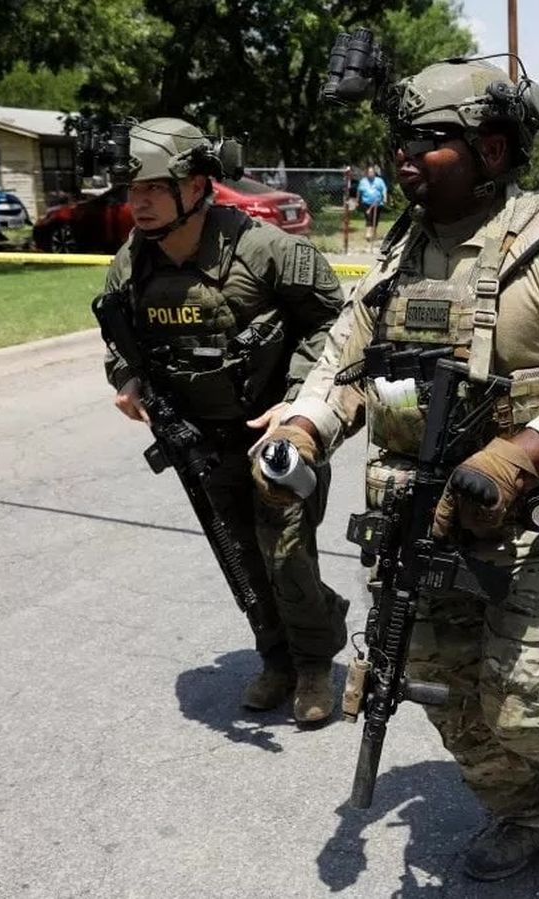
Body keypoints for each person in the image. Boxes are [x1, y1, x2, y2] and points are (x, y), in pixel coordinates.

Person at [262, 61, 539, 880]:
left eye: (427, 142)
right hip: (427, 524)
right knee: (441, 686)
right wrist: (302, 431)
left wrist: (519, 458)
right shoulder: (400, 252)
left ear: (491, 146)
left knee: (528, 707)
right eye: (399, 141)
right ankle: (534, 811)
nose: (403, 158)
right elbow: (346, 364)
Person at [100, 117, 350, 723]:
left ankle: (315, 664)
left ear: (196, 183)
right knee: (237, 553)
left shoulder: (266, 249)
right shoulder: (131, 265)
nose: (139, 203)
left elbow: (333, 324)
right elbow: (116, 338)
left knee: (286, 552)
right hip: (200, 440)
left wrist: (297, 399)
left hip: (276, 434)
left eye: (154, 188)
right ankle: (277, 658)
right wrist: (126, 381)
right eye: (132, 191)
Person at [357, 164, 388, 249]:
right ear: (367, 173)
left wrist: (385, 198)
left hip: (378, 203)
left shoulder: (379, 181)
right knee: (368, 217)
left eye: (372, 172)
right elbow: (359, 192)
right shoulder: (363, 181)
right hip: (366, 202)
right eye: (369, 172)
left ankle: (374, 234)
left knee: (376, 219)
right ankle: (368, 234)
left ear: (374, 173)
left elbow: (384, 189)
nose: (371, 174)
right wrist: (357, 201)